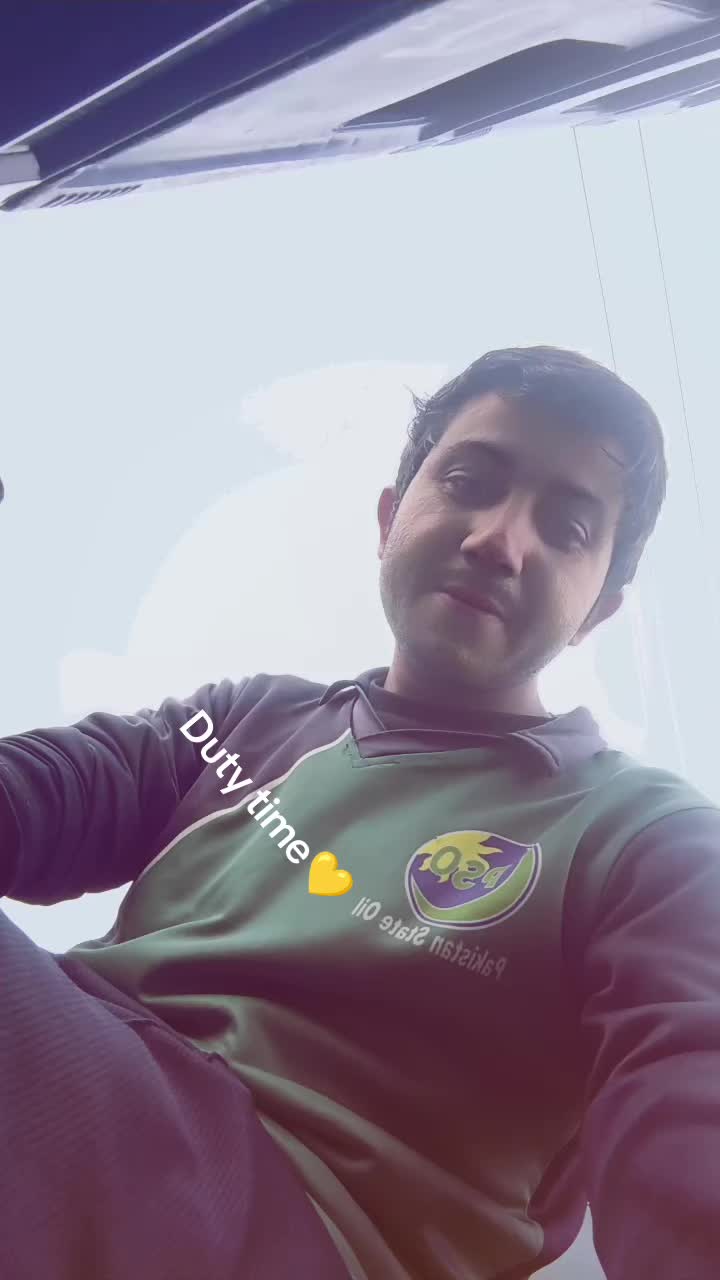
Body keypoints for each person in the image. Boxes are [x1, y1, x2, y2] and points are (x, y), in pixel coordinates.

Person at [2, 345, 719, 1280]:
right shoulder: (243, 720)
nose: (500, 541)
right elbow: (43, 786)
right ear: (389, 519)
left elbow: (694, 1105)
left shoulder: (650, 841)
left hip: (290, 1226)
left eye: (567, 527)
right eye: (469, 482)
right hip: (82, 1098)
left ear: (599, 612)